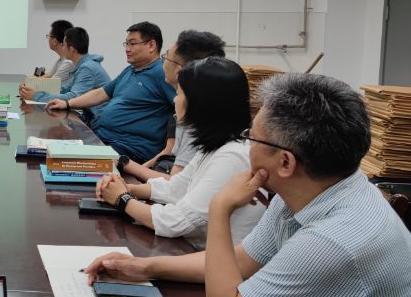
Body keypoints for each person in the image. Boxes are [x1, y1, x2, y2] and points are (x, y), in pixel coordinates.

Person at [83, 73, 411, 296]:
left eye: (252, 138)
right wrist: (143, 267)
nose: (246, 146)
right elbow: (241, 261)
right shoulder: (307, 191)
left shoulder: (330, 242)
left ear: (286, 162)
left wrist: (221, 208)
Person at [95, 57, 264, 249]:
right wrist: (127, 188)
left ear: (200, 104)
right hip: (193, 248)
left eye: (179, 93)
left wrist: (122, 199)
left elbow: (175, 222)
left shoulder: (232, 157)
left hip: (206, 257)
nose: (175, 100)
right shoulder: (216, 145)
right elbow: (177, 187)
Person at [47, 22, 175, 162]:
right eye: (126, 44)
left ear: (151, 45)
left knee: (63, 159)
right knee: (52, 149)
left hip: (129, 148)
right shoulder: (130, 70)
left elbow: (182, 111)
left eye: (132, 44)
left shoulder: (161, 72)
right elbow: (101, 93)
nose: (127, 49)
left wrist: (168, 151)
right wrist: (67, 103)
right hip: (104, 138)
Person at [121, 30, 227, 180]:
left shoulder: (194, 116)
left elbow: (176, 183)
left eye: (165, 57)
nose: (162, 62)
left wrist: (125, 164)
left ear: (179, 69)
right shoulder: (195, 105)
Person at [20, 27, 110, 112]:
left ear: (72, 49)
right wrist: (31, 88)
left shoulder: (87, 68)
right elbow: (63, 89)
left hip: (98, 120)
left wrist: (36, 96)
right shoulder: (83, 65)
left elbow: (72, 98)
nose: (62, 47)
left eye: (63, 44)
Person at [40, 20, 76, 85]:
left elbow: (49, 84)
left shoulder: (68, 63)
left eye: (49, 36)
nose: (48, 39)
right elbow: (49, 75)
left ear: (55, 41)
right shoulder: (60, 60)